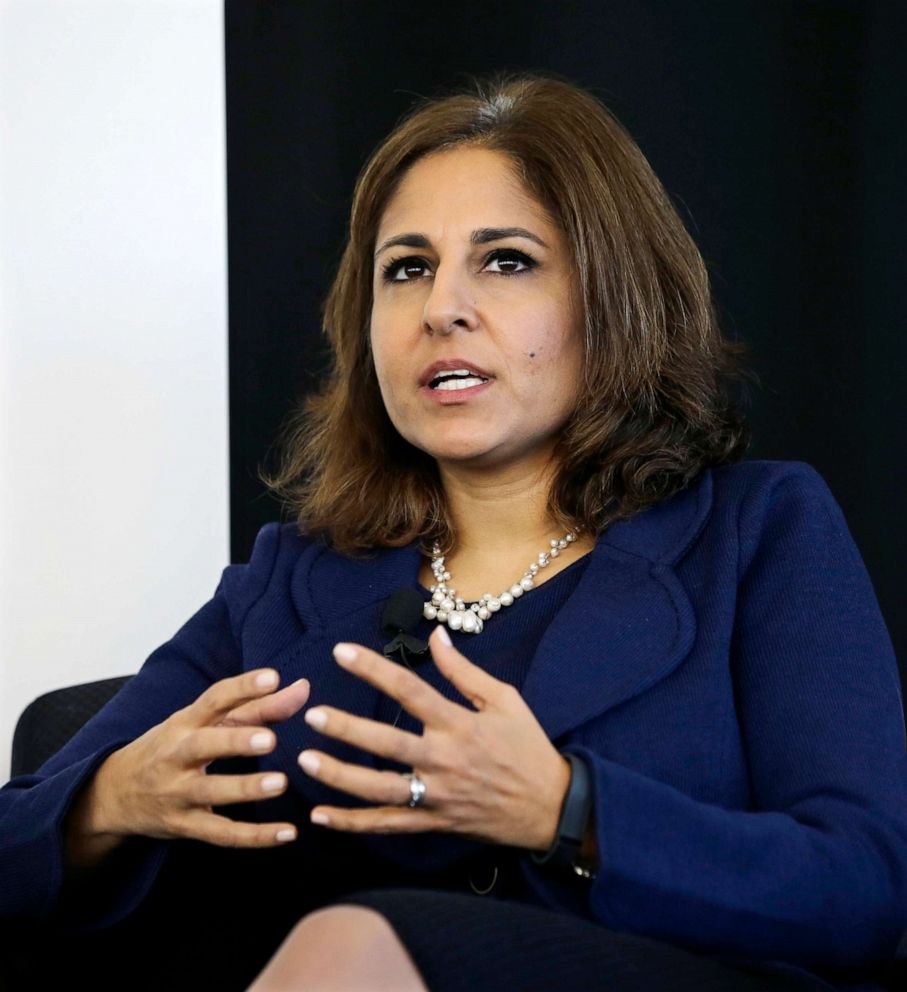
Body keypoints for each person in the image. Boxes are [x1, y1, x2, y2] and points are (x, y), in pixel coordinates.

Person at [1, 72, 906, 992]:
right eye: (407, 269)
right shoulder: (293, 581)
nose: (442, 307)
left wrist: (567, 808)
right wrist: (108, 800)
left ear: (612, 297)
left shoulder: (757, 533)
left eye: (505, 260)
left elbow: (863, 887)